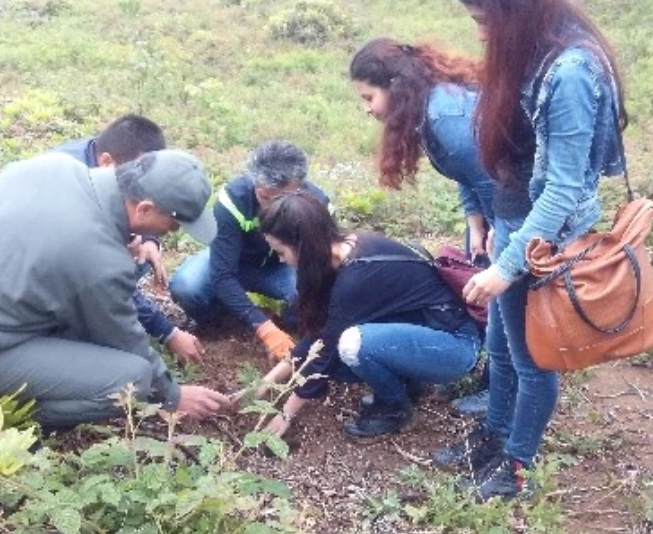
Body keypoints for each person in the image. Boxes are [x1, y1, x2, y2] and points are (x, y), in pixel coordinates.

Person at [434, 0, 628, 499]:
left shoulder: (570, 71)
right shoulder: (535, 48)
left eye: (484, 18)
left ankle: (518, 465)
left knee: (532, 356)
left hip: (544, 239)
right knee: (501, 346)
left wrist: (507, 265)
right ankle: (494, 437)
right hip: (518, 218)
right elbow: (520, 160)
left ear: (515, 6)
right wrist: (498, 219)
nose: (481, 32)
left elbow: (564, 187)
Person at [0, 150, 232, 429]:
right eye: (173, 224)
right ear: (144, 208)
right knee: (135, 380)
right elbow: (124, 338)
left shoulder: (54, 166)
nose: (172, 233)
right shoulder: (97, 258)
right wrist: (171, 397)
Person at [250, 192, 481, 440]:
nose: (280, 259)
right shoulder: (345, 251)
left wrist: (287, 413)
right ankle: (410, 385)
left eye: (281, 251)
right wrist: (266, 383)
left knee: (351, 345)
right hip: (421, 333)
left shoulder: (356, 278)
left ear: (303, 245)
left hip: (453, 347)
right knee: (341, 355)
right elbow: (321, 331)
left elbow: (324, 349)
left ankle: (394, 409)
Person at [349, 37, 495, 417]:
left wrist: (502, 228)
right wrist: (474, 220)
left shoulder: (445, 116)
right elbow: (467, 172)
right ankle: (475, 366)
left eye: (368, 98)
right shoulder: (427, 112)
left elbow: (495, 174)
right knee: (479, 283)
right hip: (495, 203)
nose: (367, 109)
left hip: (515, 205)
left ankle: (498, 388)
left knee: (508, 298)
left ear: (395, 88)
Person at [51, 114, 203, 365]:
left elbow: (145, 198)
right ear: (107, 162)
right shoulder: (72, 196)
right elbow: (105, 276)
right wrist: (167, 332)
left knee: (140, 257)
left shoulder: (110, 164)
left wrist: (150, 239)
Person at [169, 140, 329, 361]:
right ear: (254, 183)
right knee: (187, 286)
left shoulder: (318, 206)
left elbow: (320, 271)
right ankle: (222, 322)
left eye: (283, 198)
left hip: (282, 268)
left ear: (300, 187)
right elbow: (222, 274)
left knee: (306, 289)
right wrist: (264, 328)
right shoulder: (233, 201)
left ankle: (291, 330)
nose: (273, 207)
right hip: (235, 262)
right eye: (264, 197)